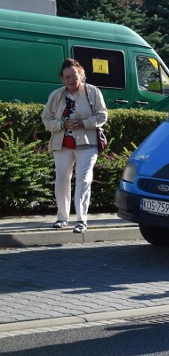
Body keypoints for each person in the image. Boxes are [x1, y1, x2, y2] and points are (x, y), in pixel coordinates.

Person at [41, 58, 107, 233]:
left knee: (84, 180)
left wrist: (84, 123)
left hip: (87, 144)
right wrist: (62, 125)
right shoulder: (56, 95)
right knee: (62, 180)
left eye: (74, 75)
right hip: (62, 145)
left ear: (81, 74)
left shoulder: (93, 92)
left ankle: (81, 220)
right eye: (67, 76)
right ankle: (62, 218)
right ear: (63, 79)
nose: (71, 79)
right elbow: (46, 119)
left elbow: (102, 116)